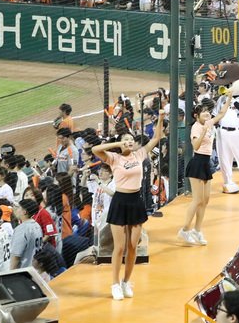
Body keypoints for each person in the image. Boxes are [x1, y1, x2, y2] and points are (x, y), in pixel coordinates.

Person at [91, 115, 164, 300]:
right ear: (120, 143)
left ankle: (126, 281)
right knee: (120, 247)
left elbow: (156, 138)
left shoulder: (140, 154)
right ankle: (115, 283)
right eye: (126, 140)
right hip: (120, 201)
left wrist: (161, 117)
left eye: (131, 140)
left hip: (136, 201)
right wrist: (114, 144)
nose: (130, 142)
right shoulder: (113, 158)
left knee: (133, 247)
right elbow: (95, 149)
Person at [180, 98, 229, 244]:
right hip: (197, 163)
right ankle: (184, 230)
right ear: (197, 116)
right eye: (203, 113)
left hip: (206, 163)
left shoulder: (208, 123)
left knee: (205, 200)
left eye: (207, 112)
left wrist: (230, 97)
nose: (207, 114)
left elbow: (221, 113)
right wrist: (204, 132)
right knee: (197, 200)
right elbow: (195, 146)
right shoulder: (196, 127)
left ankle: (197, 230)